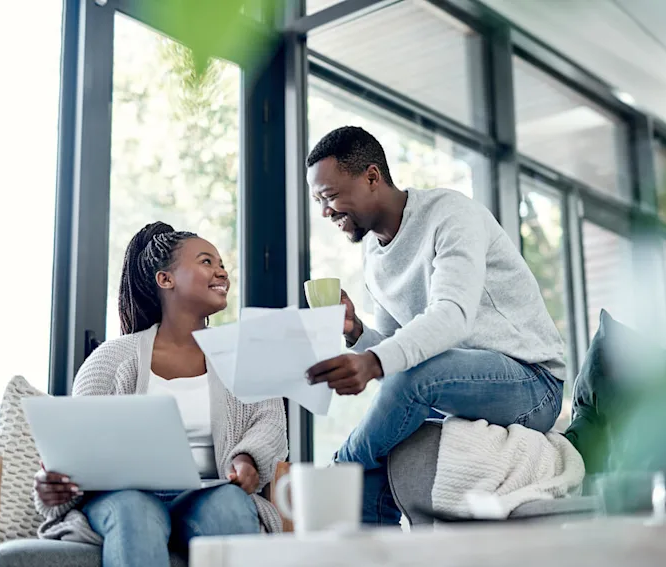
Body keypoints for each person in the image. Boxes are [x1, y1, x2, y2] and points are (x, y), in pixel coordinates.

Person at [304, 126, 566, 525]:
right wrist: (358, 333)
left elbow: (452, 315)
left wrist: (373, 362)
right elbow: (398, 344)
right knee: (380, 460)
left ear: (372, 177)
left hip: (533, 383)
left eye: (331, 196)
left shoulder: (450, 214)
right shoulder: (373, 255)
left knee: (413, 378)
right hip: (461, 386)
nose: (325, 211)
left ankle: (339, 469)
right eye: (318, 201)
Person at [33, 222, 288, 567]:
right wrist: (57, 484)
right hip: (121, 497)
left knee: (230, 506)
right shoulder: (111, 359)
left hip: (207, 492)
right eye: (206, 262)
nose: (222, 271)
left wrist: (248, 459)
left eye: (221, 263)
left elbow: (269, 421)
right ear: (166, 280)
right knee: (135, 510)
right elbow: (76, 441)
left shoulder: (244, 357)